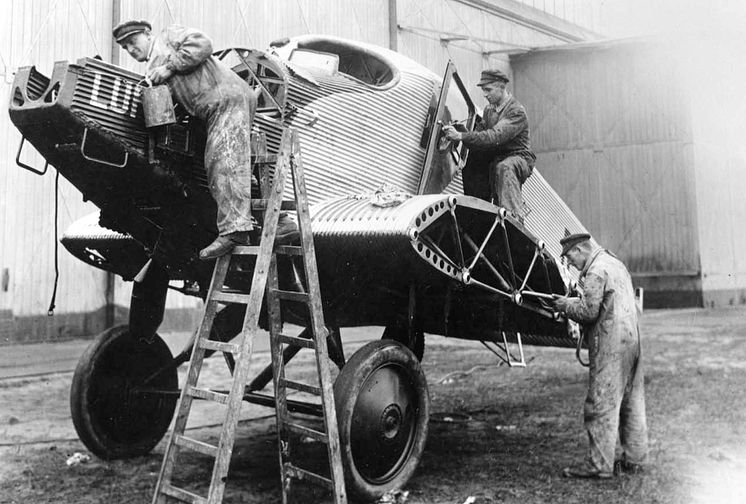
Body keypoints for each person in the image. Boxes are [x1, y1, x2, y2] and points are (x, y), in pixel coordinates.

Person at [113, 20, 297, 259]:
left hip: (225, 100)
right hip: (209, 111)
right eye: (125, 47)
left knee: (222, 160)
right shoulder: (153, 68)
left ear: (148, 34)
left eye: (132, 41)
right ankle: (280, 221)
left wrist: (169, 68)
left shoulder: (168, 37)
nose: (130, 49)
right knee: (227, 164)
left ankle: (235, 231)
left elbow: (202, 43)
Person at [551, 233, 648, 479]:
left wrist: (565, 305)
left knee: (601, 403)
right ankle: (635, 459)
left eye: (570, 257)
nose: (570, 264)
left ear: (581, 249)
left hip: (612, 344)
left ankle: (599, 465)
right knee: (631, 402)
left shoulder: (596, 271)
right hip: (633, 340)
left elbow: (588, 311)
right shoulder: (614, 263)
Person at [443, 69, 535, 222]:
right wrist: (462, 132)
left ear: (501, 87)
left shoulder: (516, 111)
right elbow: (481, 133)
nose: (485, 94)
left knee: (505, 168)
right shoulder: (489, 110)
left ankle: (513, 217)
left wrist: (461, 136)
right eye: (483, 90)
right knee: (472, 159)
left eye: (488, 89)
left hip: (519, 157)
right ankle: (478, 213)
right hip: (497, 155)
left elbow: (494, 136)